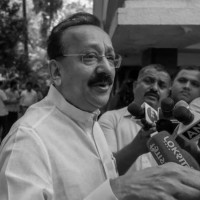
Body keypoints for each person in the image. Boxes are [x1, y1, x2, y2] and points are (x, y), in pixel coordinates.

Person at [0, 12, 200, 200]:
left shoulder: (91, 120)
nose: (106, 68)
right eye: (90, 56)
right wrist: (118, 189)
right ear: (56, 72)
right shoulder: (28, 139)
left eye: (111, 58)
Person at [99, 64, 171, 172]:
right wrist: (137, 147)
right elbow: (105, 171)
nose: (155, 88)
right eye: (148, 81)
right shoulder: (110, 119)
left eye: (161, 85)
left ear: (168, 94)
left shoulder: (171, 129)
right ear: (134, 86)